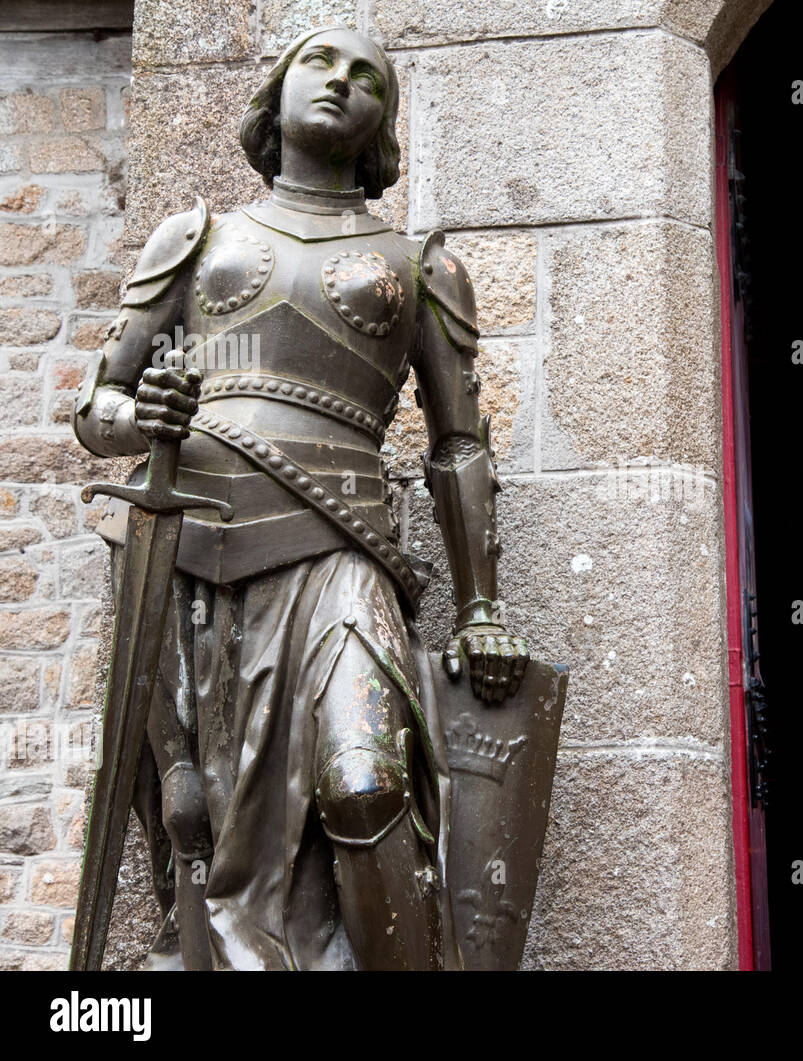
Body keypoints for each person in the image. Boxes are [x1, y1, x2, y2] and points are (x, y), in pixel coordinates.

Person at [73, 26, 526, 970]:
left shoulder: (419, 266)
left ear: (383, 126)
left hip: (338, 550)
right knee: (196, 813)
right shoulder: (196, 238)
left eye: (369, 78)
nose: (343, 83)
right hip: (195, 548)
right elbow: (96, 405)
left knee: (365, 783)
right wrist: (139, 412)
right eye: (321, 64)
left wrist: (482, 606)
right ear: (274, 96)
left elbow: (457, 445)